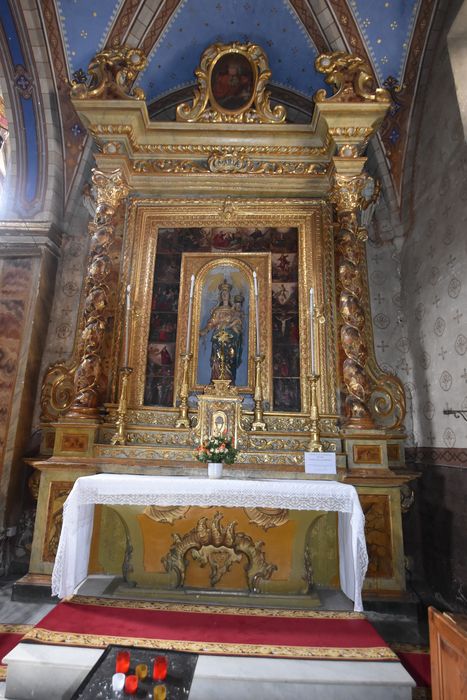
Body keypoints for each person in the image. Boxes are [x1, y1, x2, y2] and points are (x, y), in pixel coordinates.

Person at [199, 279, 244, 384]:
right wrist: (205, 330)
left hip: (230, 340)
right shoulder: (217, 311)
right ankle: (216, 380)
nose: (225, 295)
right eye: (223, 293)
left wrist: (232, 328)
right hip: (218, 339)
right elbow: (211, 323)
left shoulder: (233, 311)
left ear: (229, 296)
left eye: (227, 293)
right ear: (220, 295)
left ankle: (229, 380)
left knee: (229, 358)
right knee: (217, 358)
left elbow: (238, 325)